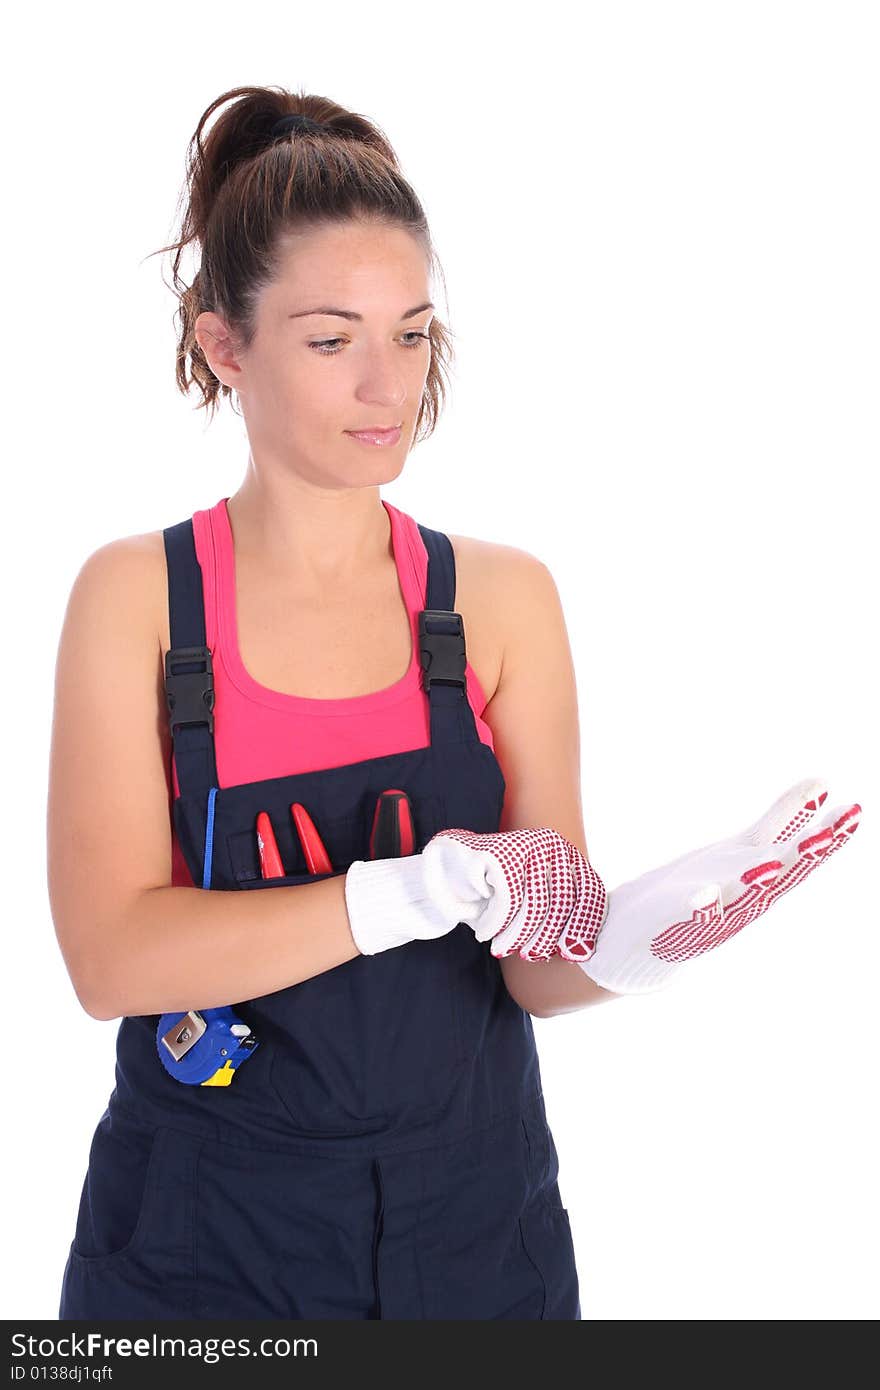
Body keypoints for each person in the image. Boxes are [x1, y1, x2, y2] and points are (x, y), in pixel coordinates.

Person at [48, 85, 861, 1322]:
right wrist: (412, 889)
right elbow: (113, 958)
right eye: (332, 341)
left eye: (414, 334)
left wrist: (652, 934)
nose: (388, 385)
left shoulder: (501, 600)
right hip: (207, 1239)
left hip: (478, 1230)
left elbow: (535, 965)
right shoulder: (140, 601)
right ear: (225, 345)